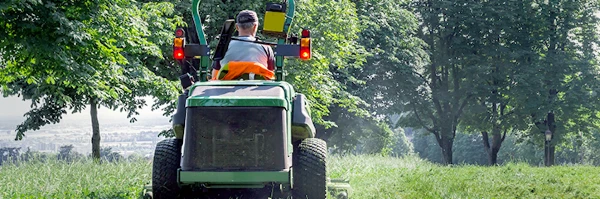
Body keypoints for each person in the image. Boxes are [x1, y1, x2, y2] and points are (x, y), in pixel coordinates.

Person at [211, 10, 275, 79]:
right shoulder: (265, 48)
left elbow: (215, 76)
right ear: (255, 26)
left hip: (225, 89)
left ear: (237, 27)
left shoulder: (223, 47)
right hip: (257, 89)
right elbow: (270, 75)